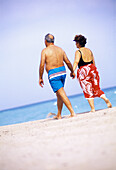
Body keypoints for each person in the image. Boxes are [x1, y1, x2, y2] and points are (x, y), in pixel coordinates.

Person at [39, 33, 76, 119]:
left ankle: (72, 112)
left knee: (61, 93)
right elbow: (67, 61)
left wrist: (40, 77)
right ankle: (59, 115)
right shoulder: (60, 49)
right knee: (59, 94)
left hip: (53, 73)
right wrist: (72, 71)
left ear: (45, 41)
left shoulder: (45, 51)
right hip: (63, 72)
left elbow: (41, 65)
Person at [73, 34, 112, 112]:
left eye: (76, 42)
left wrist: (72, 71)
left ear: (78, 43)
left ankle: (93, 109)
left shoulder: (78, 51)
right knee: (96, 88)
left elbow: (76, 61)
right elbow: (93, 62)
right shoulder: (89, 50)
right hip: (93, 69)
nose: (75, 44)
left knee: (87, 89)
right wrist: (94, 71)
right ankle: (105, 98)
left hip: (84, 70)